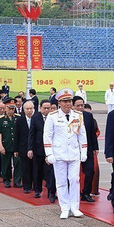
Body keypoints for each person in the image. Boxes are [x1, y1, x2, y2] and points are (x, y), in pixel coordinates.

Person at [43, 89, 87, 219]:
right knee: (61, 181)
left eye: (69, 101)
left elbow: (82, 135)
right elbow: (47, 136)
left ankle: (75, 207)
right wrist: (49, 153)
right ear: (59, 103)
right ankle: (64, 207)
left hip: (73, 153)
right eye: (65, 101)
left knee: (74, 180)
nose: (68, 104)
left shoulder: (78, 115)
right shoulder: (53, 116)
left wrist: (83, 150)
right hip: (59, 153)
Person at [72, 96, 98, 203]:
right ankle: (72, 193)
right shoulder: (69, 116)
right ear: (73, 106)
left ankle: (86, 193)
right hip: (73, 149)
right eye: (78, 106)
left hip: (87, 148)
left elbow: (92, 133)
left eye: (82, 105)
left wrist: (95, 148)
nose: (80, 107)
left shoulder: (88, 116)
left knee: (90, 171)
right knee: (73, 174)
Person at [30, 100, 56, 201]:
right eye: (44, 108)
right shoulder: (36, 117)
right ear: (40, 108)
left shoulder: (54, 118)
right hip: (38, 149)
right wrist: (30, 148)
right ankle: (37, 190)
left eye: (48, 108)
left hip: (50, 150)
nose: (46, 110)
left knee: (50, 173)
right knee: (38, 171)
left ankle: (51, 192)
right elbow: (31, 134)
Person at [0, 102, 18, 187]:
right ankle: (6, 180)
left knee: (17, 163)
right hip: (6, 144)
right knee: (6, 164)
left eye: (13, 109)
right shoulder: (0, 119)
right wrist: (1, 146)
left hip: (16, 145)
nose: (11, 111)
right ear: (6, 108)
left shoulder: (18, 118)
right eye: (9, 109)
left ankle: (17, 181)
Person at [14, 100, 35, 194]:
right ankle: (26, 186)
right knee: (25, 168)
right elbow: (16, 135)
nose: (29, 111)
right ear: (24, 109)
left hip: (35, 148)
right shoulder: (19, 120)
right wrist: (16, 149)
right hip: (23, 148)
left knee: (34, 168)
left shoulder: (36, 118)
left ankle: (34, 185)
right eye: (27, 109)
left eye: (31, 108)